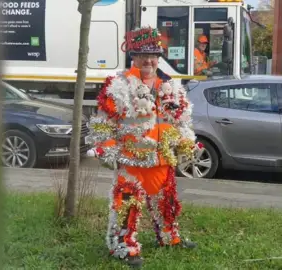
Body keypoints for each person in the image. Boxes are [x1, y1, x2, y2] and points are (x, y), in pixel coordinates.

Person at [86, 26, 202, 267]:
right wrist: (107, 149)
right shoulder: (117, 86)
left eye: (154, 55)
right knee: (127, 203)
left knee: (165, 202)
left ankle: (169, 237)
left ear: (159, 58)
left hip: (162, 159)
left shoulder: (170, 86)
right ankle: (122, 245)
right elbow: (102, 123)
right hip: (131, 159)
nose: (149, 60)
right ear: (133, 57)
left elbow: (181, 120)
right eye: (143, 55)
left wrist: (186, 140)